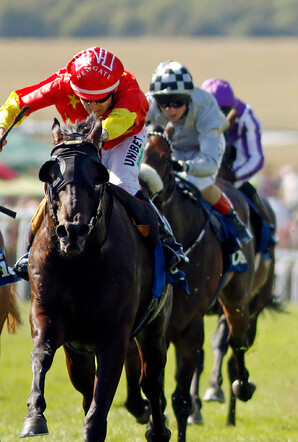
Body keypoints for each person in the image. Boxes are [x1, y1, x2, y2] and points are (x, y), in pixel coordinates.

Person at [0, 46, 187, 280]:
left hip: (123, 139)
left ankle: (166, 242)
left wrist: (95, 136)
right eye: (85, 100)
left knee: (124, 183)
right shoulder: (62, 84)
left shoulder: (130, 90)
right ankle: (30, 252)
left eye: (100, 100)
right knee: (55, 188)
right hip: (83, 141)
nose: (92, 106)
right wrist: (2, 128)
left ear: (114, 89)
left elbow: (121, 120)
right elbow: (19, 101)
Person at [145, 61, 252, 247]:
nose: (170, 109)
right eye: (164, 103)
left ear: (188, 98)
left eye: (177, 102)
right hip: (174, 145)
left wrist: (184, 166)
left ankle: (233, 219)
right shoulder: (148, 104)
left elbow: (209, 163)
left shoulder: (206, 105)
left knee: (199, 182)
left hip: (206, 145)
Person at [200, 78, 274, 230]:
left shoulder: (248, 118)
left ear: (233, 108)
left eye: (224, 111)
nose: (220, 117)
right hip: (205, 169)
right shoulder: (193, 114)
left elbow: (257, 158)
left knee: (254, 203)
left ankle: (267, 238)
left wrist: (234, 176)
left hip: (234, 170)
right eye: (213, 110)